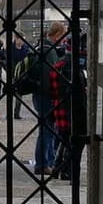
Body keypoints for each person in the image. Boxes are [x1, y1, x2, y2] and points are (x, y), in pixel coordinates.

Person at [50, 32, 88, 182]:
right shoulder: (73, 67)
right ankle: (69, 171)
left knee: (64, 138)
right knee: (76, 141)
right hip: (74, 109)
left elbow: (54, 92)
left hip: (61, 108)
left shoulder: (58, 65)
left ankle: (58, 167)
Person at [32, 21, 66, 175]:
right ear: (57, 34)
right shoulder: (49, 51)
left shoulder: (41, 47)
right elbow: (51, 76)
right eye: (62, 35)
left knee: (47, 130)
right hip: (47, 96)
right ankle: (43, 164)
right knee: (47, 131)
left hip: (39, 95)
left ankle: (48, 162)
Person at [10, 31, 29, 119]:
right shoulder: (10, 49)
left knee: (19, 95)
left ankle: (16, 113)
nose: (22, 41)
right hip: (13, 74)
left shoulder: (25, 48)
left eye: (23, 40)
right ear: (16, 39)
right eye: (21, 39)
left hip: (22, 74)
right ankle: (11, 112)